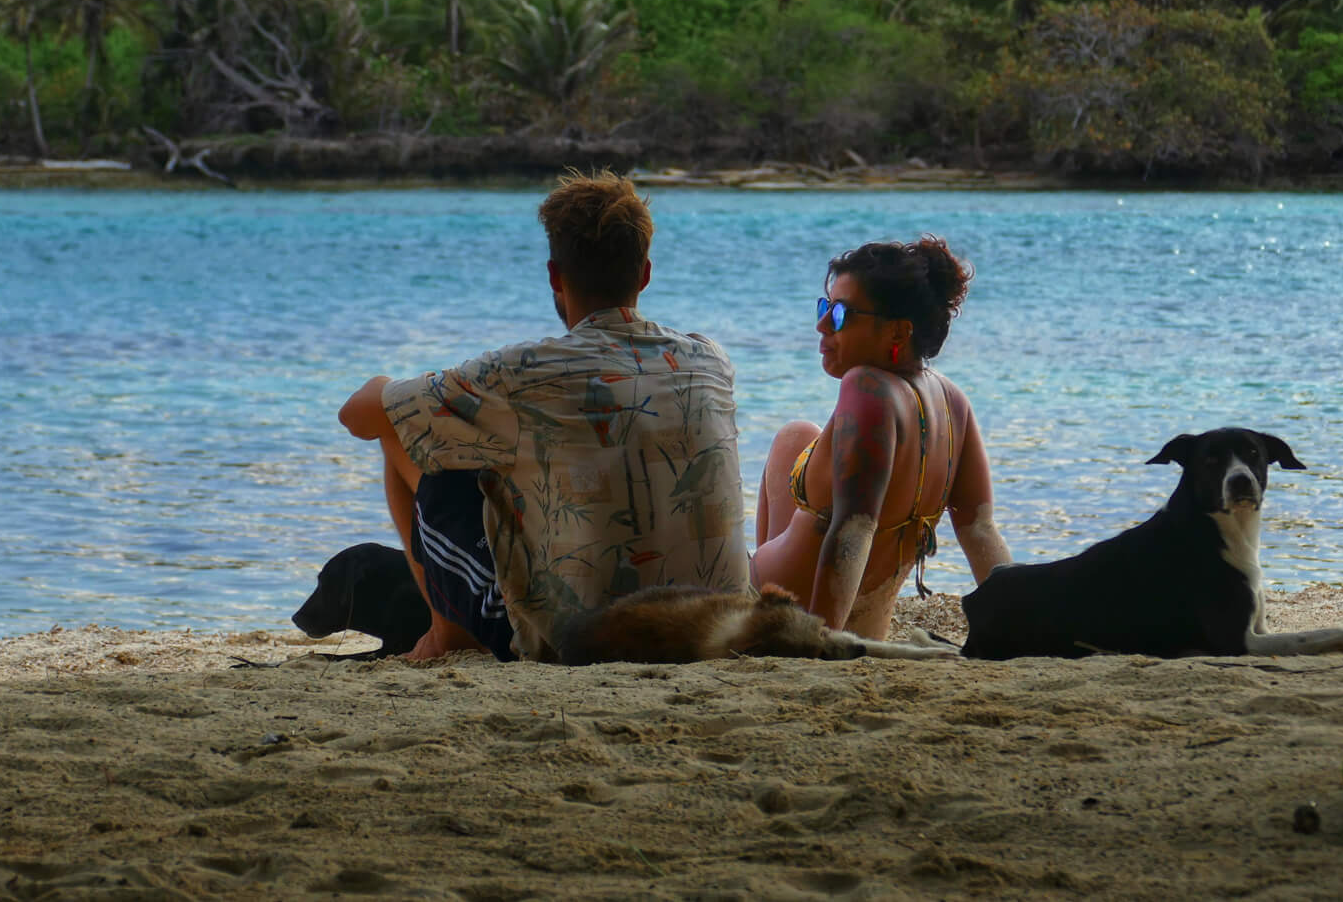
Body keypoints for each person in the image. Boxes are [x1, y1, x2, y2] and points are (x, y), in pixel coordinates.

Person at [338, 170, 749, 662]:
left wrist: (405, 388)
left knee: (411, 438)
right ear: (645, 273)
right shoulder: (710, 359)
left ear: (555, 276)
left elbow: (357, 417)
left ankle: (442, 637)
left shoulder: (520, 373)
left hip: (578, 641)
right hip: (718, 629)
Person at [751, 236, 1012, 640]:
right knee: (796, 436)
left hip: (796, 620)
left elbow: (856, 527)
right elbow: (979, 530)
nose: (821, 325)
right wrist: (1020, 620)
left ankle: (769, 599)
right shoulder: (953, 401)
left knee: (794, 441)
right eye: (824, 307)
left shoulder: (867, 387)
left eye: (840, 314)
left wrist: (821, 641)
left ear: (897, 332)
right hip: (865, 621)